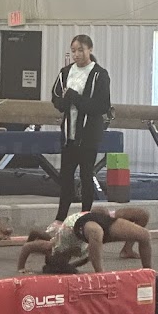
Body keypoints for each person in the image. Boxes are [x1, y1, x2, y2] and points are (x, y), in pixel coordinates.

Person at [49, 35, 111, 229]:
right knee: (66, 177)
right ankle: (60, 218)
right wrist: (65, 100)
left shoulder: (99, 74)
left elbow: (101, 105)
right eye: (74, 51)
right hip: (69, 134)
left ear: (90, 50)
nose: (77, 54)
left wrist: (74, 97)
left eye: (81, 50)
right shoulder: (65, 72)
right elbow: (57, 99)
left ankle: (85, 217)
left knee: (86, 176)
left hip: (88, 135)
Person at [17, 207, 151, 274]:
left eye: (63, 258)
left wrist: (21, 268)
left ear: (53, 256)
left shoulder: (53, 246)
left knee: (144, 230)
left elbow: (28, 245)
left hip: (86, 219)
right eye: (66, 261)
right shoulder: (80, 257)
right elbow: (89, 257)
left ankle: (147, 271)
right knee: (96, 233)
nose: (67, 257)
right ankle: (101, 274)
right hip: (89, 227)